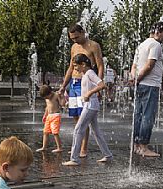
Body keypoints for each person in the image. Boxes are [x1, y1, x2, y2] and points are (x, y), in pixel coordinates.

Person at [58, 24, 104, 158]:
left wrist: (97, 85)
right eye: (72, 39)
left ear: (83, 32)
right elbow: (70, 68)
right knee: (76, 116)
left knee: (84, 117)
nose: (75, 40)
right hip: (73, 84)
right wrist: (63, 85)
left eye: (76, 37)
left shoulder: (94, 46)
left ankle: (83, 148)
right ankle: (77, 147)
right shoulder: (74, 47)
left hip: (85, 84)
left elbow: (100, 66)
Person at [62, 54, 112, 166]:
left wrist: (89, 93)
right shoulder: (85, 74)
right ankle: (108, 155)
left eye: (76, 66)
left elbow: (102, 85)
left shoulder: (90, 73)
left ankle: (74, 159)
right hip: (90, 105)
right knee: (96, 132)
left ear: (83, 64)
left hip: (90, 105)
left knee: (78, 129)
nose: (75, 69)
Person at [130, 21, 163, 157]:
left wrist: (134, 79)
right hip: (150, 85)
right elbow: (149, 65)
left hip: (140, 85)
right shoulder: (155, 45)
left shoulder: (141, 45)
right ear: (157, 32)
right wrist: (139, 79)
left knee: (138, 115)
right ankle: (144, 147)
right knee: (148, 116)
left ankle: (136, 146)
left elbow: (134, 66)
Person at [36, 85, 65, 153]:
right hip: (49, 116)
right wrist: (45, 115)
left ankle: (59, 147)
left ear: (50, 92)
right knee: (45, 132)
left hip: (55, 116)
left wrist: (62, 96)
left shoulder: (56, 95)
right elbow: (47, 107)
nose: (46, 98)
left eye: (46, 96)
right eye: (45, 97)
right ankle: (44, 147)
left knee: (55, 132)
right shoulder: (47, 98)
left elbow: (62, 104)